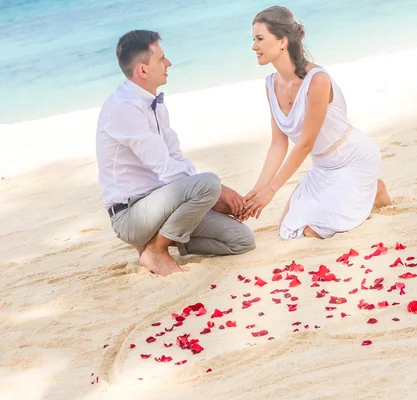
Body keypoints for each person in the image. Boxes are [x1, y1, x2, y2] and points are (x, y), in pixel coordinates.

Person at [96, 30, 255, 276]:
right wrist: (215, 191)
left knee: (242, 240)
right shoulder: (124, 107)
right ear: (143, 70)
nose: (168, 63)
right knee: (209, 182)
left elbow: (175, 157)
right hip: (132, 216)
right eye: (161, 59)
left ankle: (166, 238)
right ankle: (156, 250)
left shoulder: (155, 102)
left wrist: (204, 200)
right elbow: (163, 166)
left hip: (165, 206)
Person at [244, 6, 393, 240]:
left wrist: (271, 192)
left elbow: (304, 144)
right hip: (323, 169)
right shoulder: (270, 84)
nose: (254, 46)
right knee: (289, 229)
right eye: (253, 39)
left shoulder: (317, 81)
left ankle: (373, 188)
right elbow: (278, 145)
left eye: (260, 39)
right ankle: (364, 192)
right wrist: (258, 190)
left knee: (314, 230)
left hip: (353, 160)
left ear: (282, 41)